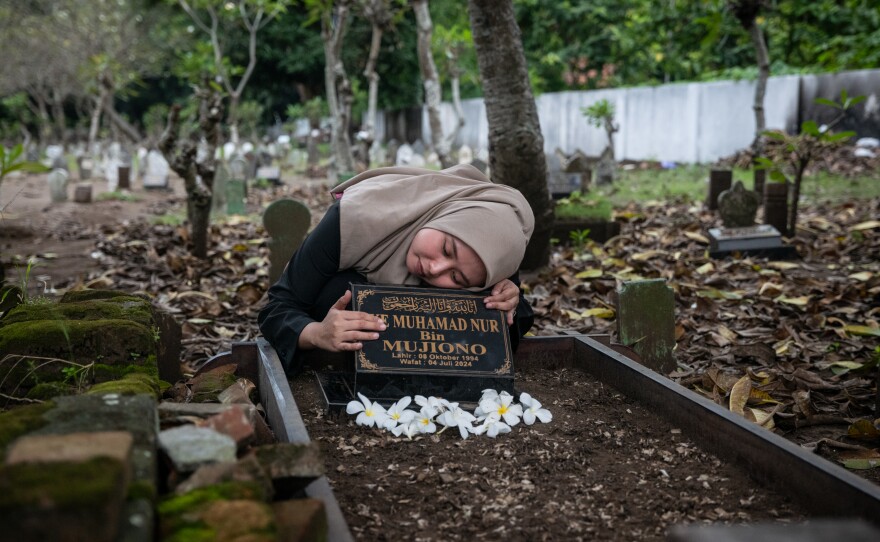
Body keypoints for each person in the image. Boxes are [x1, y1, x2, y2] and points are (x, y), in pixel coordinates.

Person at [258, 163, 535, 374]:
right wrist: (317, 333)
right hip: (333, 368)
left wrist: (510, 298)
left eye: (456, 277)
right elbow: (277, 309)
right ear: (443, 213)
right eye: (446, 248)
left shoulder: (495, 251)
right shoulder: (355, 218)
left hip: (423, 384)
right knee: (342, 291)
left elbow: (512, 326)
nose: (434, 268)